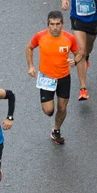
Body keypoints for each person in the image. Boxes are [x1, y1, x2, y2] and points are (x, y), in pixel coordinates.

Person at [26, 10, 84, 145]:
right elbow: (29, 47)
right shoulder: (40, 36)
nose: (55, 27)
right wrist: (30, 66)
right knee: (49, 110)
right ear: (48, 24)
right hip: (46, 78)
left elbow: (79, 53)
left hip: (64, 77)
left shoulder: (69, 38)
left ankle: (56, 130)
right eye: (52, 24)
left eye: (58, 24)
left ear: (62, 24)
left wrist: (75, 60)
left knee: (62, 108)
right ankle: (50, 112)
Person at [61, 0, 97, 100]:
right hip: (77, 19)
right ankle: (83, 89)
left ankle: (86, 57)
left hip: (94, 20)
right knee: (81, 51)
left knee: (88, 48)